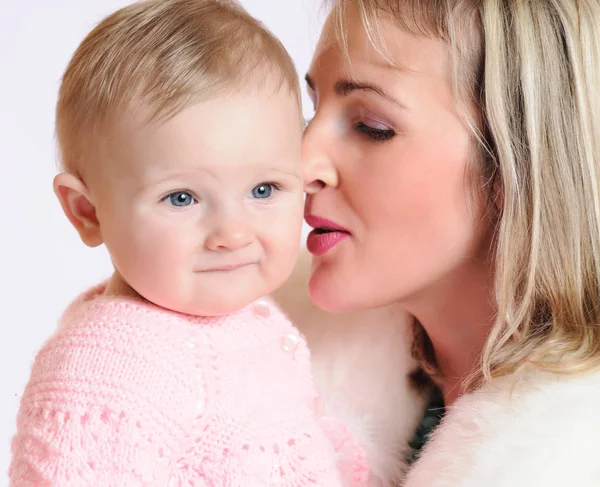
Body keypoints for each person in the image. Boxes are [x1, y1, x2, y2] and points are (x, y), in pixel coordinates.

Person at [9, 1, 368, 485]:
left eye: (264, 190)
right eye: (181, 198)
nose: (233, 235)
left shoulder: (250, 319)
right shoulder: (107, 372)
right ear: (87, 211)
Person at [274, 1, 600, 486]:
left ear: (517, 166)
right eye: (311, 111)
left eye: (372, 126)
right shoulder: (249, 350)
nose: (300, 166)